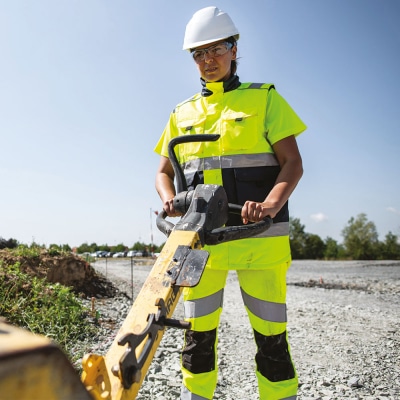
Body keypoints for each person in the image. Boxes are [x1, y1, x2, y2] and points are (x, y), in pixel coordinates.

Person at [154, 6, 306, 400]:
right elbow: (163, 173)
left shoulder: (265, 99)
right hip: (199, 245)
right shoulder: (181, 113)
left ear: (234, 48)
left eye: (216, 49)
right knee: (197, 340)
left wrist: (270, 204)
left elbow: (292, 163)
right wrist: (170, 201)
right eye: (198, 54)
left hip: (261, 238)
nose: (208, 60)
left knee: (271, 340)